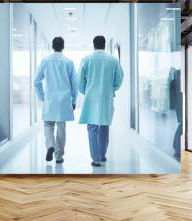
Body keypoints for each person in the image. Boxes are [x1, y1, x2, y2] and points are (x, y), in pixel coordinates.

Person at [78, 35, 124, 167]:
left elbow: (79, 80)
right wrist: (111, 88)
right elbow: (119, 79)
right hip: (106, 96)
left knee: (92, 127)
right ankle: (102, 154)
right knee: (104, 125)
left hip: (91, 97)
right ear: (105, 45)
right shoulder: (113, 60)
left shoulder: (86, 59)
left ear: (94, 45)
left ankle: (96, 158)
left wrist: (85, 90)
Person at [34, 37, 77, 164]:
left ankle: (50, 146)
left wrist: (43, 97)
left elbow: (36, 81)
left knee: (48, 124)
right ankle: (59, 156)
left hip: (50, 100)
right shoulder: (68, 62)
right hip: (64, 101)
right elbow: (74, 84)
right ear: (63, 46)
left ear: (53, 46)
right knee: (61, 127)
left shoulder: (45, 61)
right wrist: (73, 100)